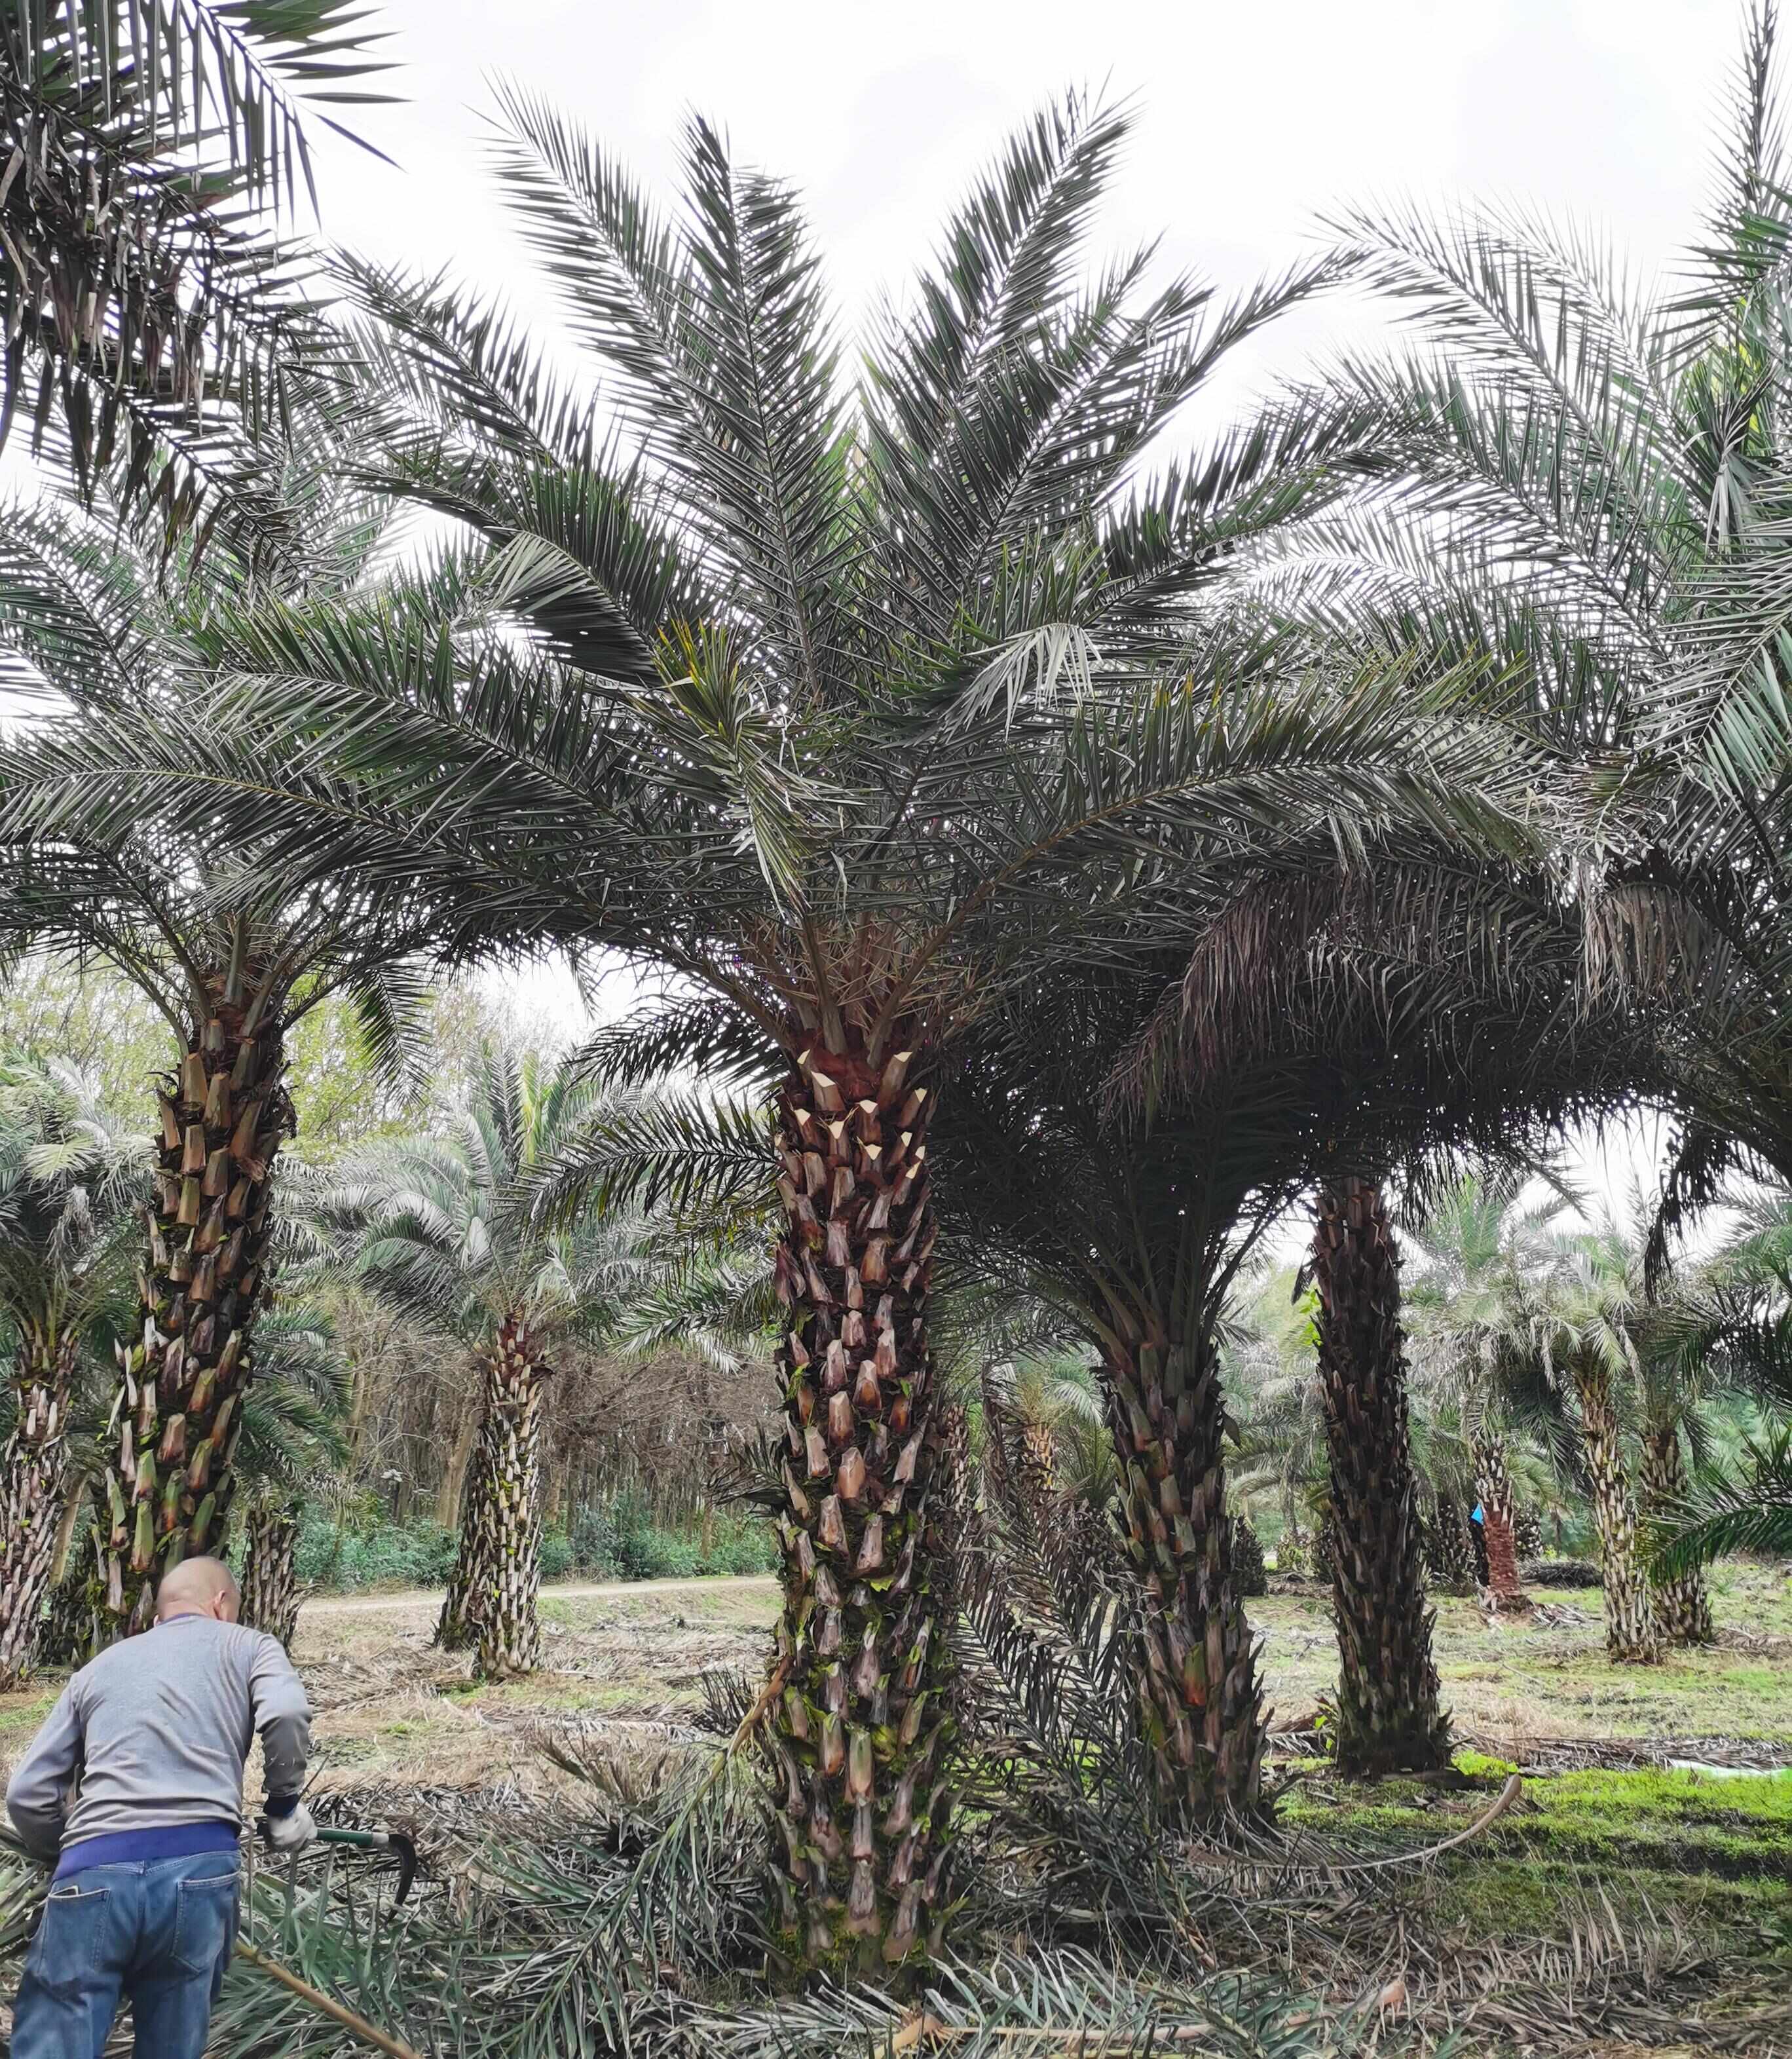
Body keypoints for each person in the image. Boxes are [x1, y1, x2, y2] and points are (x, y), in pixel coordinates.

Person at [3, 1556, 318, 2059]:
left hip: (92, 1872)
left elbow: (26, 1793)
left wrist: (64, 1855)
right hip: (197, 1873)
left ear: (157, 1617)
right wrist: (283, 1806)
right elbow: (285, 1711)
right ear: (221, 1604)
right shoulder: (249, 1644)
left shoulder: (99, 1667)